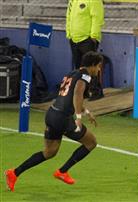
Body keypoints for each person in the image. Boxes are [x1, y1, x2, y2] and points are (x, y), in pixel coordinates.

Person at [5, 51, 103, 192]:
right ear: (92, 65)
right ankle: (63, 171)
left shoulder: (72, 73)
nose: (99, 70)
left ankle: (14, 173)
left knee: (49, 152)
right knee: (91, 142)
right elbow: (77, 94)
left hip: (52, 114)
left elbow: (68, 96)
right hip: (63, 118)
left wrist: (86, 111)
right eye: (98, 67)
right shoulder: (85, 76)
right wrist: (79, 118)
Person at [66, 0, 105, 100]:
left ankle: (96, 91)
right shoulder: (73, 1)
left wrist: (94, 36)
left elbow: (97, 18)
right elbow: (68, 17)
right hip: (74, 39)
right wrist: (69, 34)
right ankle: (84, 91)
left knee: (92, 67)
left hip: (87, 40)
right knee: (80, 68)